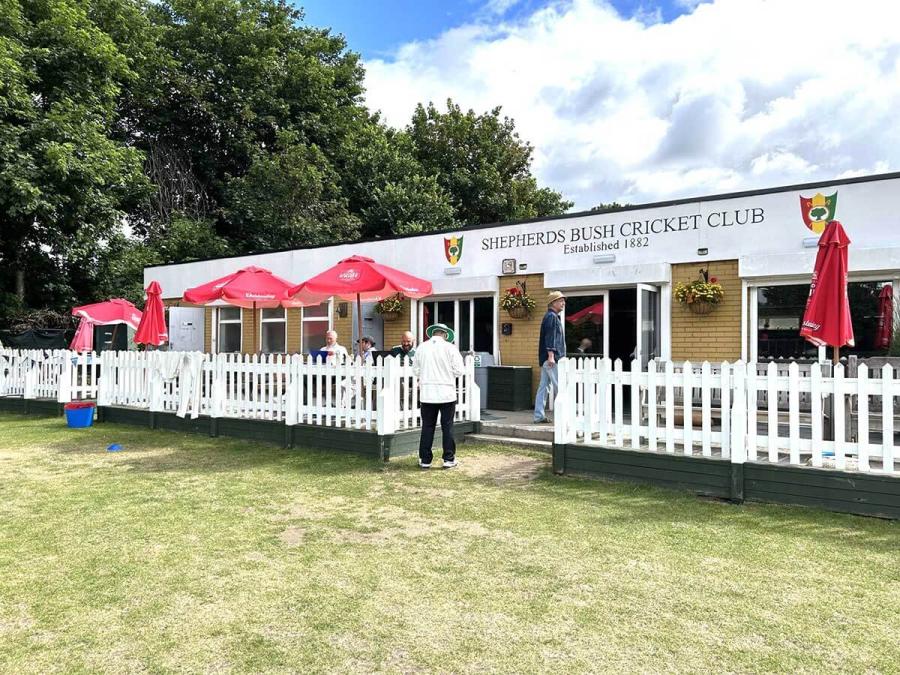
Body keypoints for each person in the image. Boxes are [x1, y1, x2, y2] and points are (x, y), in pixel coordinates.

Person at [413, 323, 465, 469]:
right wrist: (447, 375)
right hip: (446, 393)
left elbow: (416, 370)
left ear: (433, 334)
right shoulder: (450, 348)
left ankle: (425, 460)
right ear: (445, 334)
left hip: (427, 393)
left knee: (427, 427)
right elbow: (459, 371)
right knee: (447, 426)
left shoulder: (422, 347)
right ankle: (448, 459)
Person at [533, 290, 566, 424]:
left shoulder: (550, 316)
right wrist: (551, 355)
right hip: (552, 359)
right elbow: (550, 337)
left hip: (546, 359)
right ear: (553, 303)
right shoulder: (552, 317)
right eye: (560, 301)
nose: (563, 303)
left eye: (563, 301)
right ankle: (564, 417)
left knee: (543, 387)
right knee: (561, 387)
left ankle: (538, 416)